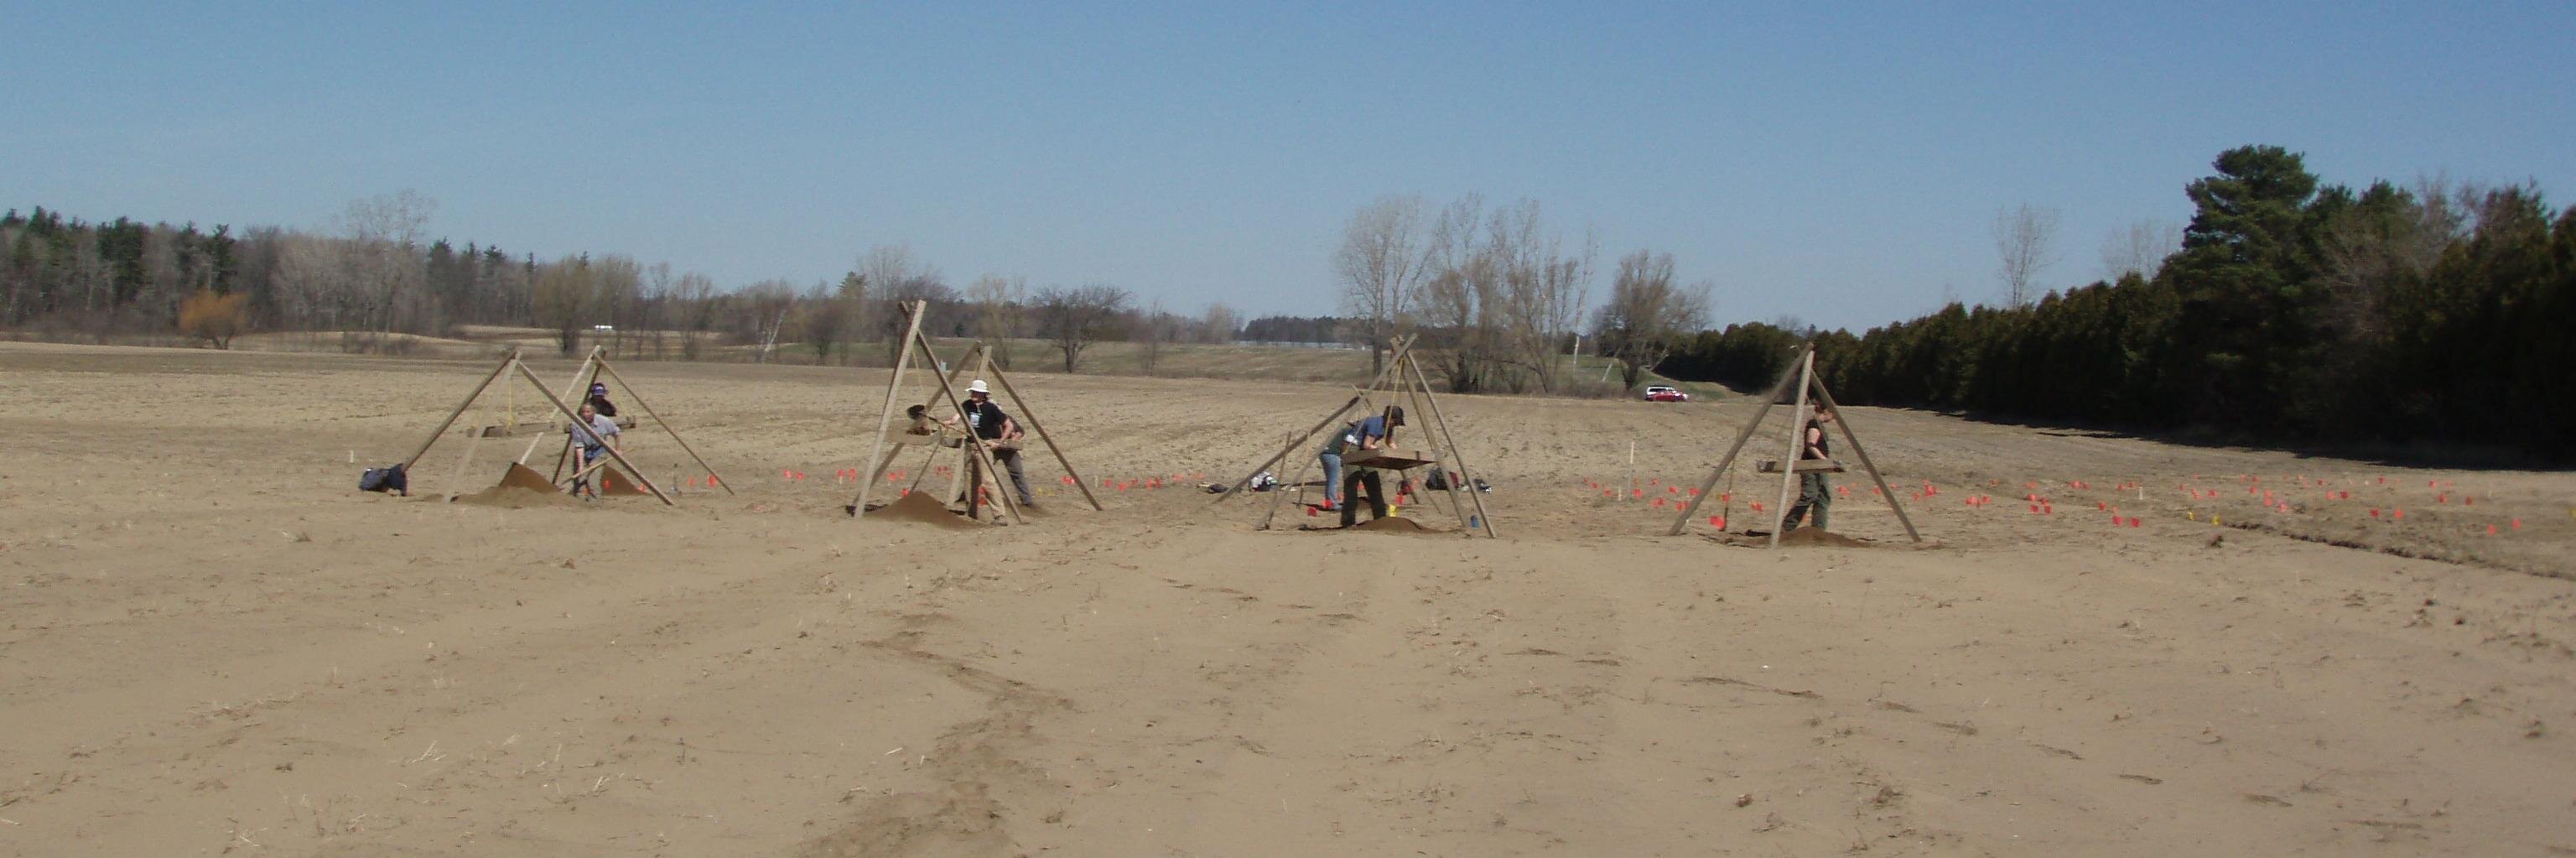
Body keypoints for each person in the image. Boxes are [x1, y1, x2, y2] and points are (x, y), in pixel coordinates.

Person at [943, 380, 1036, 507]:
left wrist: (1010, 439)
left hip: (1007, 449)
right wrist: (950, 422)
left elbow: (1019, 431)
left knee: (1016, 472)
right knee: (977, 473)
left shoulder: (1003, 417)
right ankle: (966, 497)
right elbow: (960, 419)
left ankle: (1027, 500)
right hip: (990, 447)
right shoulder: (980, 415)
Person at [1338, 406, 1405, 528]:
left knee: (1374, 483)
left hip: (1365, 450)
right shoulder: (1376, 424)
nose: (1395, 425)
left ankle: (1381, 519)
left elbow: (1390, 442)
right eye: (1395, 422)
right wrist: (1381, 451)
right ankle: (1348, 523)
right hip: (1352, 448)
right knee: (1352, 486)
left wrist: (1398, 454)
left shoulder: (1388, 427)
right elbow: (1367, 444)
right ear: (1389, 418)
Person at [1781, 403, 1834, 532]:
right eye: (1833, 414)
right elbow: (1811, 445)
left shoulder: (1819, 425)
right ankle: (1787, 527)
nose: (1834, 418)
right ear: (1827, 411)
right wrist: (1824, 460)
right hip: (1810, 465)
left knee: (1823, 497)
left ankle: (1819, 530)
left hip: (1820, 466)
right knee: (1810, 494)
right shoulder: (1814, 424)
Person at [570, 401, 621, 500]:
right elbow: (579, 446)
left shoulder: (604, 421)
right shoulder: (576, 424)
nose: (585, 414)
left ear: (594, 412)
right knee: (580, 479)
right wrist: (581, 467)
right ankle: (580, 502)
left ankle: (595, 502)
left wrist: (618, 449)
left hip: (599, 451)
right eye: (583, 412)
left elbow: (616, 433)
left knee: (593, 480)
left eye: (588, 412)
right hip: (584, 451)